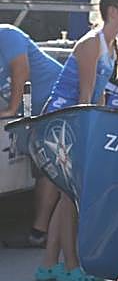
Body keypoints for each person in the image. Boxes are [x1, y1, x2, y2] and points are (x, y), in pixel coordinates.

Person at [38, 0, 118, 281]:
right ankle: (71, 267)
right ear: (113, 11)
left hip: (72, 121)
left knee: (67, 196)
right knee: (70, 197)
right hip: (65, 123)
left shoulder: (112, 43)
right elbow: (84, 98)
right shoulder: (93, 43)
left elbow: (99, 96)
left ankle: (48, 265)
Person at [0, 24, 63, 248]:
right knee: (41, 167)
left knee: (48, 166)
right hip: (33, 109)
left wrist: (12, 109)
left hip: (54, 101)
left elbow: (21, 70)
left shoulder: (7, 34)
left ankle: (40, 233)